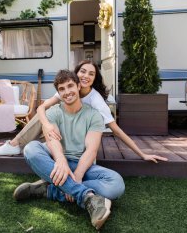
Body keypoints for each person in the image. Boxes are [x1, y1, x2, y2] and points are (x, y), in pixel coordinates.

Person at [0, 60, 168, 163]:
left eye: (91, 74)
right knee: (48, 114)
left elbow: (116, 130)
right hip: (61, 132)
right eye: (83, 71)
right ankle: (15, 145)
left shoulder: (96, 100)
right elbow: (42, 107)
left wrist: (142, 154)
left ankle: (18, 145)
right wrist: (47, 125)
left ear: (94, 79)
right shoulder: (69, 87)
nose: (85, 76)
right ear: (76, 74)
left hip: (80, 143)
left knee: (48, 125)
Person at [13, 70, 124, 230]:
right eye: (62, 89)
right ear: (58, 93)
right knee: (31, 149)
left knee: (117, 184)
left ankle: (49, 190)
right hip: (57, 163)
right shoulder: (53, 113)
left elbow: (91, 151)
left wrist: (77, 176)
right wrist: (60, 161)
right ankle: (87, 198)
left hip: (83, 166)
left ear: (79, 86)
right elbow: (53, 142)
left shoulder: (94, 115)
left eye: (70, 86)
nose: (67, 92)